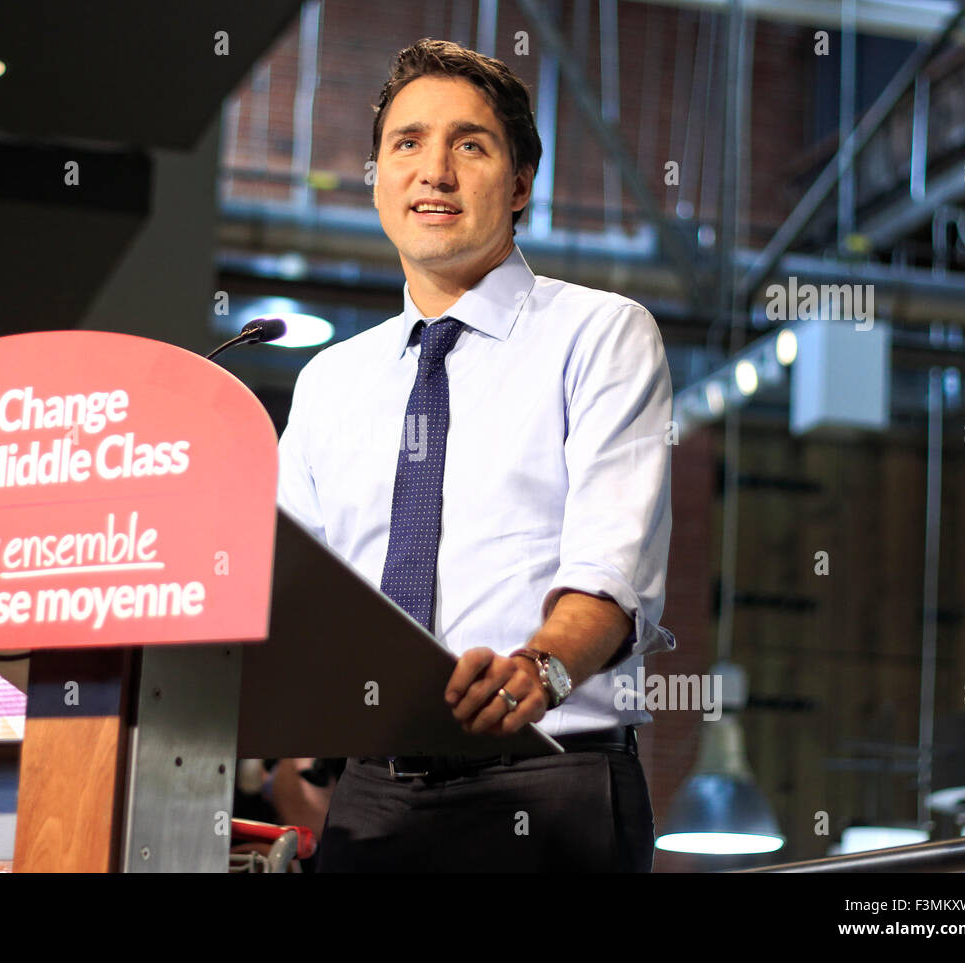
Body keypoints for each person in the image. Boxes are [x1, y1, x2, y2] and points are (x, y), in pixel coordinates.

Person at [276, 39, 675, 872]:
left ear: (521, 183)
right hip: (369, 794)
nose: (435, 171)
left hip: (551, 780)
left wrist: (542, 668)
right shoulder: (328, 382)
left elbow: (610, 568)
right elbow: (291, 593)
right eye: (408, 144)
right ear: (377, 179)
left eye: (470, 144)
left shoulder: (600, 335)